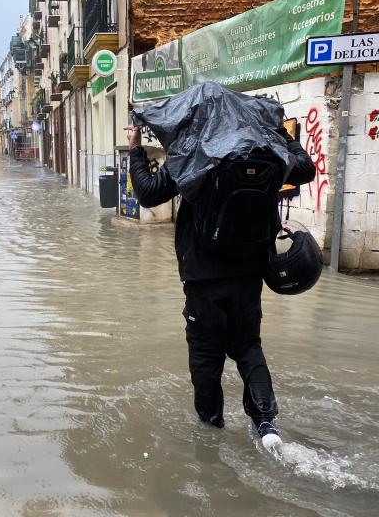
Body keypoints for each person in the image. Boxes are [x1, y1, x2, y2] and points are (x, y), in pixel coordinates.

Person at [124, 122, 315, 449]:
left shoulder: (192, 152)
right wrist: (281, 135)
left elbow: (148, 193)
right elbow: (307, 169)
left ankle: (210, 434)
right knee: (248, 347)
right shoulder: (266, 152)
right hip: (249, 274)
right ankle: (267, 424)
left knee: (206, 357)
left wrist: (136, 149)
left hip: (203, 278)